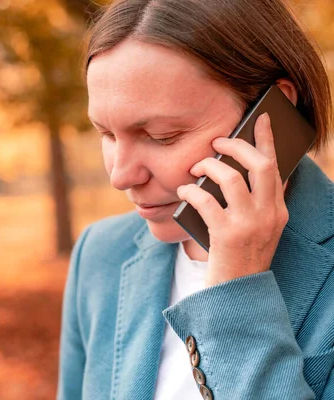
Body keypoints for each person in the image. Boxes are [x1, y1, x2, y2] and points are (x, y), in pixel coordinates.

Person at [57, 0, 334, 399]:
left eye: (162, 136)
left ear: (270, 113)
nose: (120, 176)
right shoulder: (100, 255)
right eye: (107, 134)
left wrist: (237, 294)